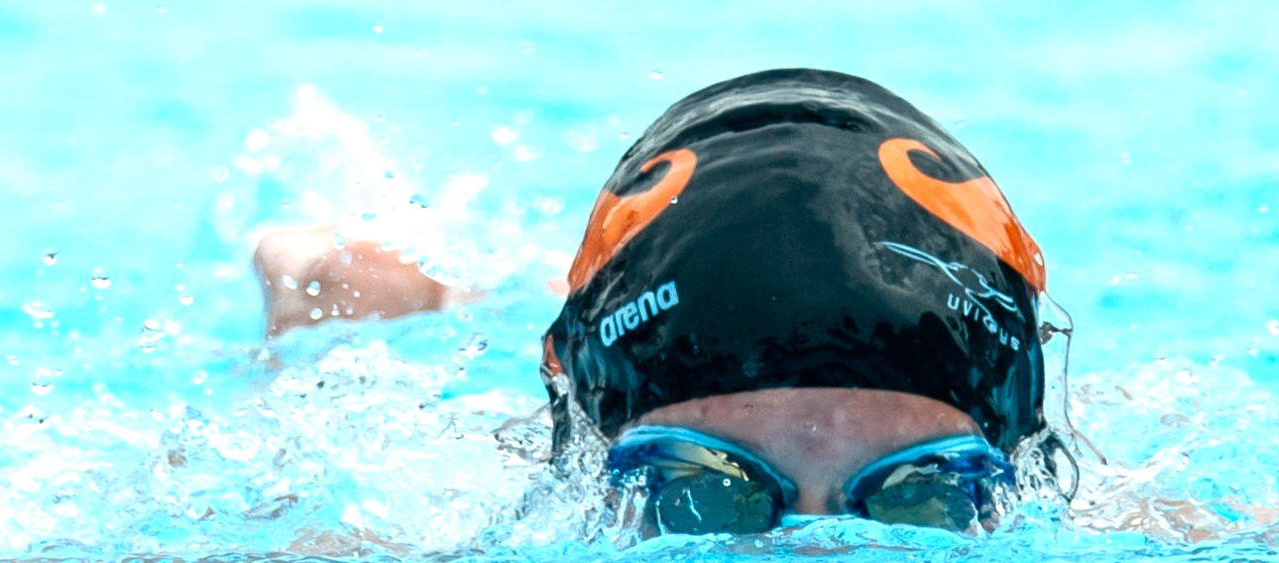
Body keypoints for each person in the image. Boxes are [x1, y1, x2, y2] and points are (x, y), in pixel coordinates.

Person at [254, 68, 1070, 538]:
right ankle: (415, 293)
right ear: (595, 462)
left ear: (1008, 471)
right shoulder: (428, 523)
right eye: (706, 495)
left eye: (919, 497)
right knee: (324, 306)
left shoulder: (1138, 519)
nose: (817, 557)